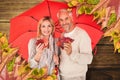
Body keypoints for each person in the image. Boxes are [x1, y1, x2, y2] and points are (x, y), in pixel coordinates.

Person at [57, 9, 93, 80]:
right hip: (62, 76)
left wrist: (71, 53)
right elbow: (64, 58)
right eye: (61, 20)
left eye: (66, 18)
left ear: (71, 18)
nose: (64, 22)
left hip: (76, 77)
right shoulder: (62, 35)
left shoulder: (82, 34)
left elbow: (89, 59)